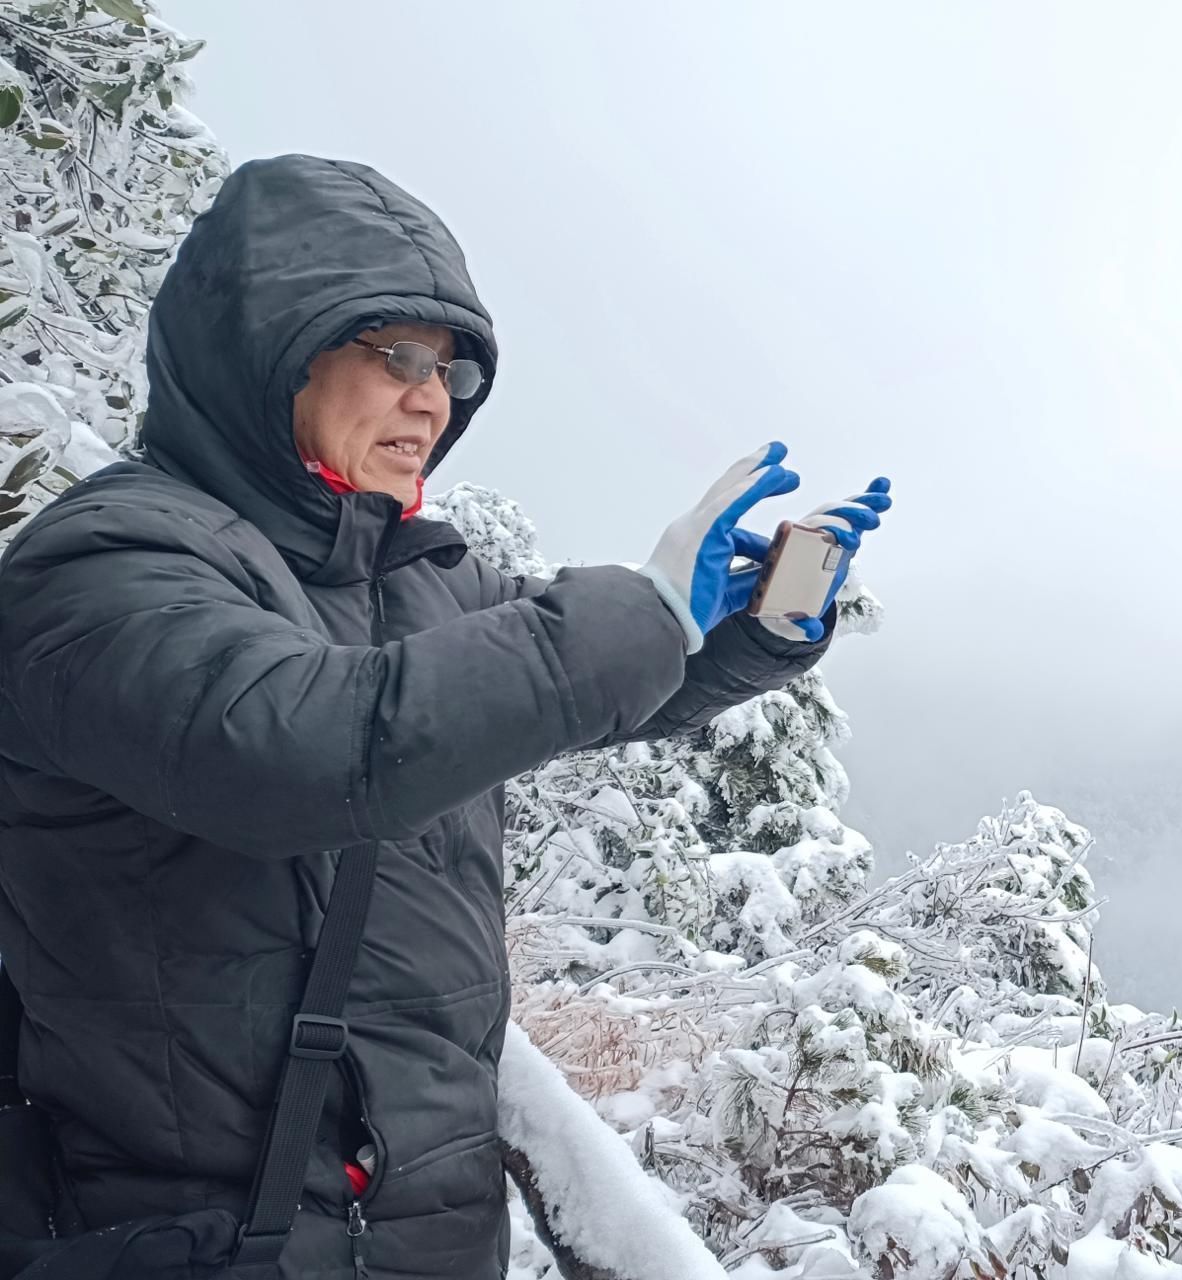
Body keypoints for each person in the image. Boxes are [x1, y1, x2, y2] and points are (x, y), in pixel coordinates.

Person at [0, 155, 889, 1277]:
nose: (432, 398)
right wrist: (639, 610)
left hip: (428, 1231)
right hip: (190, 1233)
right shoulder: (107, 564)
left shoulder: (411, 578)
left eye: (454, 373)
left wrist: (741, 627)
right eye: (397, 356)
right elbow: (301, 748)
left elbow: (558, 695)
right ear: (263, 350)